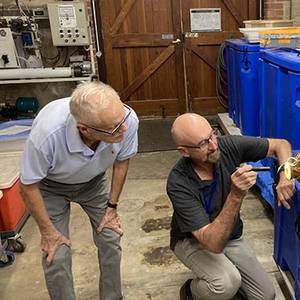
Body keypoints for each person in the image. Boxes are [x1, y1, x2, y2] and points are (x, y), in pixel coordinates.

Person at [19, 81, 139, 300]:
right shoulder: (47, 135)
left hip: (93, 181)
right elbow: (28, 186)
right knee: (56, 253)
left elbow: (121, 162)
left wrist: (112, 206)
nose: (124, 128)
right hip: (50, 186)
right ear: (84, 129)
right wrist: (48, 232)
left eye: (122, 119)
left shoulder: (125, 119)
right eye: (114, 128)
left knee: (110, 237)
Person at [166, 113, 295, 300]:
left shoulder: (226, 145)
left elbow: (281, 144)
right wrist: (236, 195)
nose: (213, 145)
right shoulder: (179, 183)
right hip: (194, 240)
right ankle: (191, 291)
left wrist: (285, 176)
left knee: (265, 295)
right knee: (225, 283)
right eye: (203, 144)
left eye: (212, 134)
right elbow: (212, 243)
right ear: (184, 151)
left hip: (230, 235)